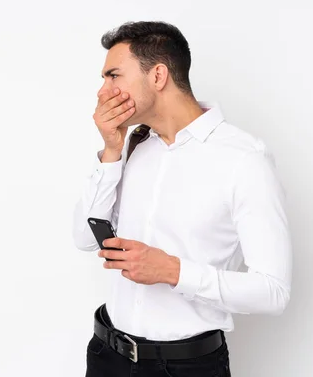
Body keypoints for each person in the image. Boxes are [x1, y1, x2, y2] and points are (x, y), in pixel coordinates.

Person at [71, 21, 292, 377]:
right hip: (107, 356)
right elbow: (84, 239)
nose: (102, 92)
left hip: (185, 367)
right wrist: (112, 150)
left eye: (113, 76)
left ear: (158, 76)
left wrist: (174, 271)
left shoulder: (244, 160)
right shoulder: (133, 144)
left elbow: (273, 291)